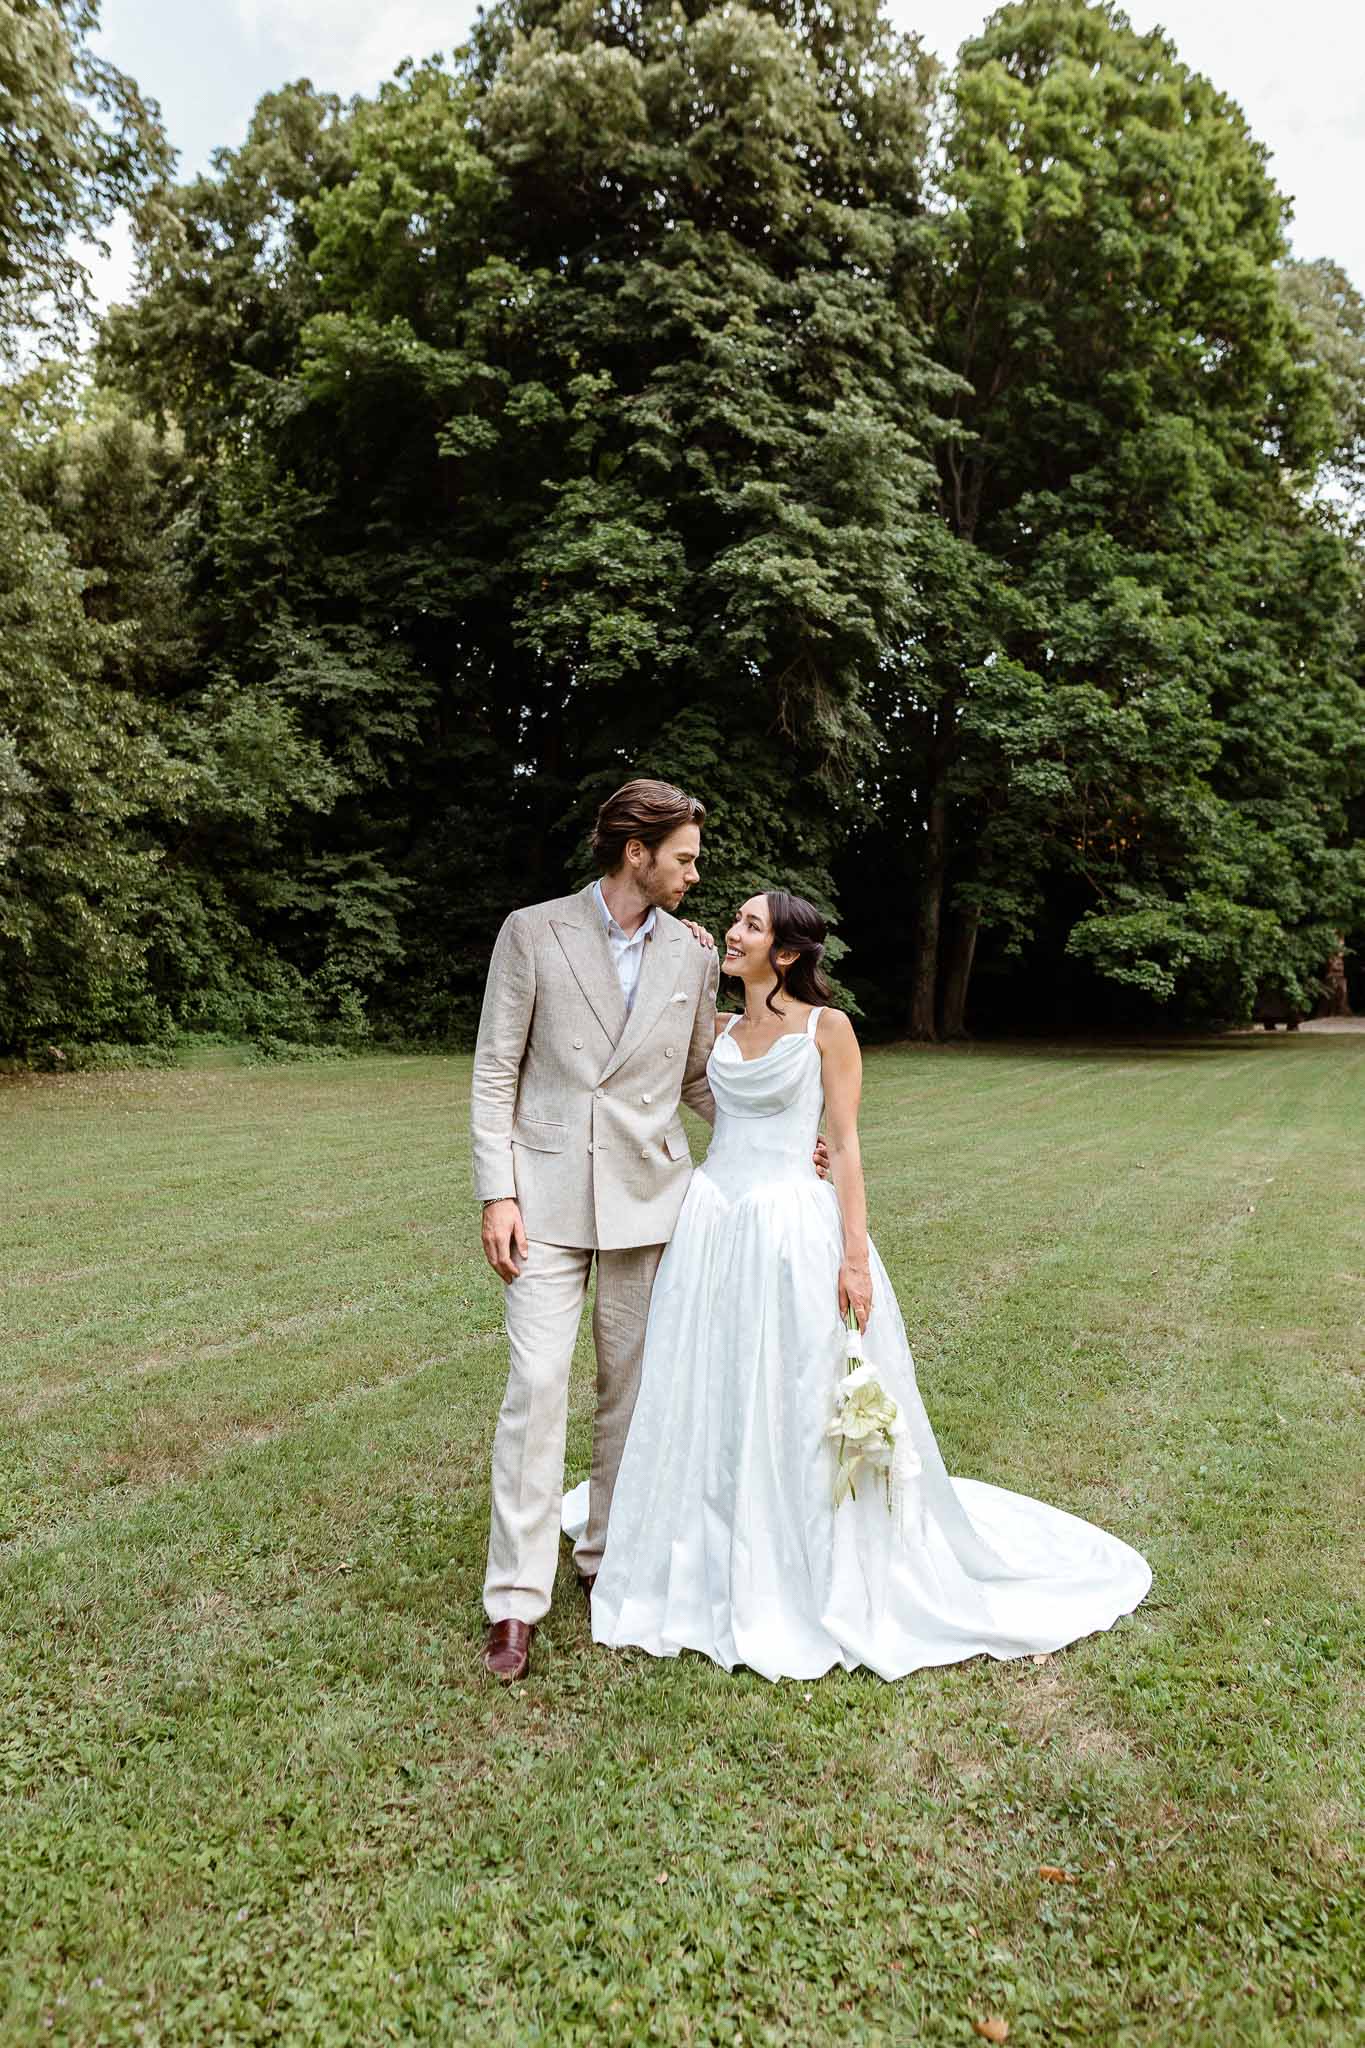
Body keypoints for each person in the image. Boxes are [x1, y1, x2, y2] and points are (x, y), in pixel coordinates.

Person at [565, 890, 1152, 1682]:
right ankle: (705, 1530)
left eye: (749, 925)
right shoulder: (713, 1030)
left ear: (785, 954)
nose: (733, 932)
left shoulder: (826, 1030)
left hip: (790, 1228)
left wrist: (851, 1257)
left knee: (799, 1381)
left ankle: (806, 1552)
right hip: (712, 1222)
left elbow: (841, 1146)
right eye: (732, 920)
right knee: (709, 1377)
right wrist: (689, 947)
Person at [470, 778, 720, 1683]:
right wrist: (496, 1193)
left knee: (632, 1394)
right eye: (684, 858)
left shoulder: (693, 958)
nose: (695, 874)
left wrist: (768, 1137)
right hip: (541, 1198)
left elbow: (697, 1077)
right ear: (635, 853)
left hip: (649, 1198)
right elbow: (496, 1071)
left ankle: (605, 1563)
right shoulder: (531, 932)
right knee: (536, 1388)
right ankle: (514, 1604)